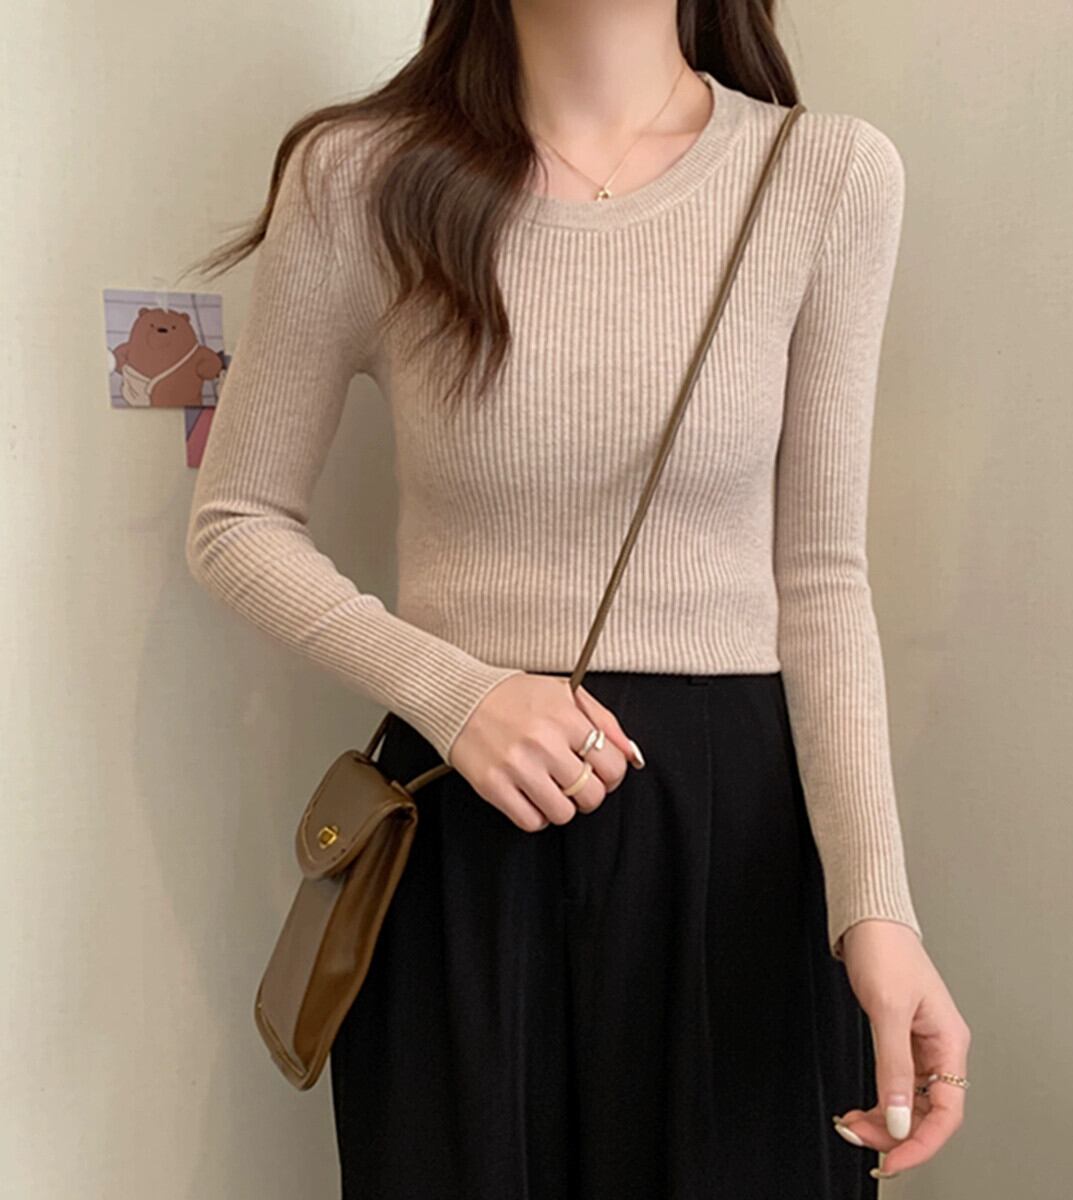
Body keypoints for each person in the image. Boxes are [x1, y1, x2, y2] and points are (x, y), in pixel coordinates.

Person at [185, 2, 971, 1195]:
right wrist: (456, 693)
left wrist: (878, 908)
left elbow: (821, 578)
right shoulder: (361, 177)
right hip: (464, 835)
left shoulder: (824, 174)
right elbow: (236, 521)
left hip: (736, 846)